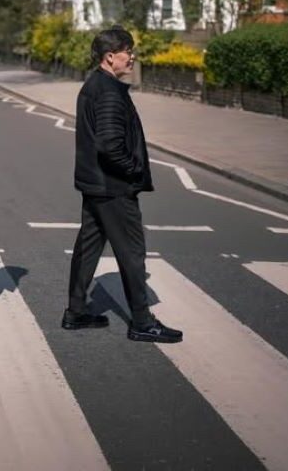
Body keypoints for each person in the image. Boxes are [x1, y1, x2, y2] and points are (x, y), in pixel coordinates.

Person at [63, 26, 182, 344]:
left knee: (88, 248)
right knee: (132, 252)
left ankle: (75, 312)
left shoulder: (94, 85)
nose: (132, 57)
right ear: (110, 56)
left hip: (95, 184)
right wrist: (134, 171)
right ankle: (142, 321)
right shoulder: (109, 92)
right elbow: (110, 145)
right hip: (113, 187)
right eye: (128, 51)